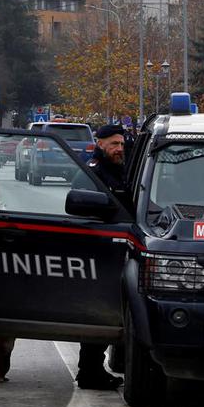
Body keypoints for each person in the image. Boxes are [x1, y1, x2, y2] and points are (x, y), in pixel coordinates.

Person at [76, 124, 129, 390]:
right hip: (99, 251)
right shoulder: (93, 173)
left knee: (114, 312)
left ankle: (102, 366)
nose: (119, 148)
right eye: (113, 144)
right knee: (97, 313)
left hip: (123, 249)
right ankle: (89, 371)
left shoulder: (126, 169)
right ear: (100, 144)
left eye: (121, 143)